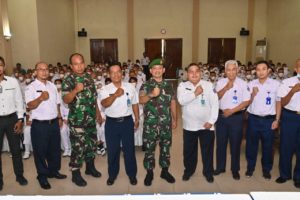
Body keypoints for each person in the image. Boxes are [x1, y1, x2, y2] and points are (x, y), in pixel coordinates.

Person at [62, 53, 102, 187]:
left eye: (81, 63)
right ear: (71, 66)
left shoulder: (89, 78)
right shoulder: (68, 80)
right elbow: (66, 100)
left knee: (91, 144)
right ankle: (75, 174)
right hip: (77, 121)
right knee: (78, 148)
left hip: (90, 119)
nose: (79, 66)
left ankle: (90, 168)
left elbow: (94, 98)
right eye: (76, 64)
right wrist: (75, 90)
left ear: (84, 64)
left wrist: (98, 113)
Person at [25, 62, 66, 190]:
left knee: (54, 150)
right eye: (41, 69)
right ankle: (42, 175)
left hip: (53, 123)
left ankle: (54, 171)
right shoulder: (30, 87)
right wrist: (40, 98)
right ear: (36, 72)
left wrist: (59, 117)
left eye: (46, 69)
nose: (44, 72)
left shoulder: (52, 86)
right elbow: (29, 105)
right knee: (40, 151)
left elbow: (57, 103)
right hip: (40, 125)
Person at [177, 63, 219, 183]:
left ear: (200, 73)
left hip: (206, 126)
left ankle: (208, 172)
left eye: (196, 71)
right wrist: (195, 93)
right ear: (187, 74)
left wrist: (211, 121)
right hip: (189, 126)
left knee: (207, 151)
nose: (194, 74)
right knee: (189, 151)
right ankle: (188, 171)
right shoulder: (182, 86)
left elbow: (215, 104)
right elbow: (181, 101)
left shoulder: (209, 85)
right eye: (191, 71)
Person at [139, 58, 177, 186]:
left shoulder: (169, 85)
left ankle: (164, 171)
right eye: (154, 69)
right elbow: (141, 100)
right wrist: (151, 95)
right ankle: (149, 173)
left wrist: (175, 119)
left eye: (159, 68)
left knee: (165, 148)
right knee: (149, 149)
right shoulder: (145, 85)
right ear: (150, 71)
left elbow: (172, 102)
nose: (157, 71)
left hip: (166, 123)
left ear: (164, 70)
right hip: (151, 124)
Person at [100, 64, 139, 186]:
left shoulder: (130, 87)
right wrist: (116, 95)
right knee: (113, 151)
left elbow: (135, 103)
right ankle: (112, 175)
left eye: (118, 72)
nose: (116, 75)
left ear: (122, 74)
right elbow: (104, 104)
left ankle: (132, 175)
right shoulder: (104, 89)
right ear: (109, 74)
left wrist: (137, 118)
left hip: (127, 122)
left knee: (129, 150)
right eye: (113, 72)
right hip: (111, 123)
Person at [214, 60, 250, 180]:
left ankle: (235, 169)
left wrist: (232, 111)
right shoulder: (220, 82)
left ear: (237, 70)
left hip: (236, 117)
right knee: (221, 144)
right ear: (225, 71)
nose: (231, 72)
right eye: (228, 70)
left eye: (233, 69)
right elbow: (216, 97)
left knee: (235, 144)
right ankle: (220, 167)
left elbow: (246, 101)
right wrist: (225, 88)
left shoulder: (243, 83)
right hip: (221, 117)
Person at [245, 61, 281, 180]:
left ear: (268, 70)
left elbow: (278, 103)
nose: (261, 72)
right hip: (253, 119)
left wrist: (277, 119)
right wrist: (252, 95)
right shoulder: (251, 84)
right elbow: (245, 103)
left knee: (268, 147)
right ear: (256, 71)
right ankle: (250, 168)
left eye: (263, 69)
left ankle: (266, 170)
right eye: (258, 69)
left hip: (269, 120)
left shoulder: (276, 84)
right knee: (251, 146)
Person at [0, 56, 28, 191]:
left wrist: (20, 120)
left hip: (12, 119)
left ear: (4, 66)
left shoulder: (12, 82)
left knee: (16, 150)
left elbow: (19, 101)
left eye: (0, 65)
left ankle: (19, 175)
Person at [276, 59, 300, 188]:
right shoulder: (287, 82)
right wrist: (293, 91)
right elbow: (283, 103)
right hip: (290, 117)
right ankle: (284, 174)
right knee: (286, 146)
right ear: (296, 69)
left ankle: (298, 177)